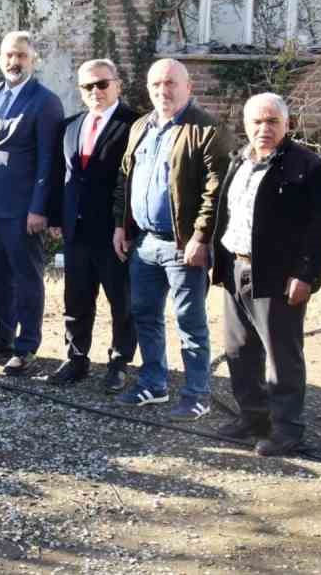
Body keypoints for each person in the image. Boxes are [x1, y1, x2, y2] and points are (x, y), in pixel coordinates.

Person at [210, 93, 321, 457]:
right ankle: (253, 417)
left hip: (278, 275)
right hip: (236, 267)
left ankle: (287, 429)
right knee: (239, 349)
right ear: (245, 125)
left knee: (282, 353)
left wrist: (305, 274)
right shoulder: (239, 161)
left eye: (272, 122)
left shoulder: (306, 165)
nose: (264, 129)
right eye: (256, 122)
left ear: (286, 124)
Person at [112, 58, 233, 419]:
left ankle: (197, 393)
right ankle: (154, 383)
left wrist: (201, 236)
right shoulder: (140, 127)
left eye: (170, 84)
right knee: (145, 315)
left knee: (189, 321)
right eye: (156, 85)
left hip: (182, 245)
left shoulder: (207, 130)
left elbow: (216, 190)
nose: (163, 91)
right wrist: (122, 226)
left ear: (188, 87)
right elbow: (124, 180)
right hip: (144, 243)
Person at [42, 58, 140, 391]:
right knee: (77, 297)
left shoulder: (134, 124)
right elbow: (61, 176)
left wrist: (123, 224)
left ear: (117, 85)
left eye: (102, 84)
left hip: (113, 231)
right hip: (76, 228)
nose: (95, 91)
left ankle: (119, 362)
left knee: (121, 299)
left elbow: (131, 181)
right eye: (88, 86)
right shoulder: (70, 126)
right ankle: (76, 358)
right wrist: (56, 216)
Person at [0, 31, 63, 375]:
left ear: (33, 60)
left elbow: (48, 160)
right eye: (9, 55)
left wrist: (40, 208)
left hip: (24, 209)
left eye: (22, 56)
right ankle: (3, 337)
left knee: (27, 278)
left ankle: (27, 346)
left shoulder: (45, 101)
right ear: (0, 58)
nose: (14, 62)